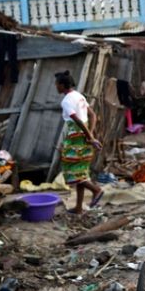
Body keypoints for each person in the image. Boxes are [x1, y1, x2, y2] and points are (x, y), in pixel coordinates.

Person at [55, 71, 104, 213]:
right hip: (85, 138)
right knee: (80, 172)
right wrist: (90, 135)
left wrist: (90, 136)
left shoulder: (66, 101)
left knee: (71, 171)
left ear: (62, 85)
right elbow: (93, 115)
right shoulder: (79, 96)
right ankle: (78, 207)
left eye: (57, 84)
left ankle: (96, 190)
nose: (56, 87)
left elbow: (77, 120)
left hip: (76, 139)